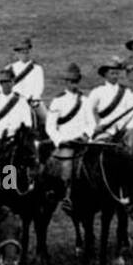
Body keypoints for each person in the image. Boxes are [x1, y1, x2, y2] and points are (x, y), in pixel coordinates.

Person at [44, 63, 94, 193]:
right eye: (71, 81)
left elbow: (91, 123)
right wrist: (60, 140)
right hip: (67, 142)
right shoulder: (58, 101)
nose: (74, 85)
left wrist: (86, 135)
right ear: (66, 82)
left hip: (83, 141)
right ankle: (67, 194)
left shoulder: (85, 100)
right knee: (67, 165)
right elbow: (50, 127)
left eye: (76, 81)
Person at [87, 56, 133, 152]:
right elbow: (87, 110)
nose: (115, 76)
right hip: (105, 130)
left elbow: (132, 113)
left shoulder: (126, 92)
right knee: (97, 150)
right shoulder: (97, 91)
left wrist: (127, 127)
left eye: (117, 73)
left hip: (125, 131)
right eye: (112, 73)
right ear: (105, 75)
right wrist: (95, 126)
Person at [0, 66, 35, 139]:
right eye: (1, 82)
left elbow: (27, 123)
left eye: (6, 81)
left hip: (16, 139)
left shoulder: (22, 102)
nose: (4, 85)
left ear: (12, 82)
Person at [6, 38, 45, 125]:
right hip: (15, 100)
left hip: (32, 100)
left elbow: (39, 86)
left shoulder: (37, 68)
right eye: (21, 52)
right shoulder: (10, 68)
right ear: (17, 54)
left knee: (45, 118)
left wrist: (35, 97)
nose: (24, 55)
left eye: (26, 52)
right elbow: (1, 83)